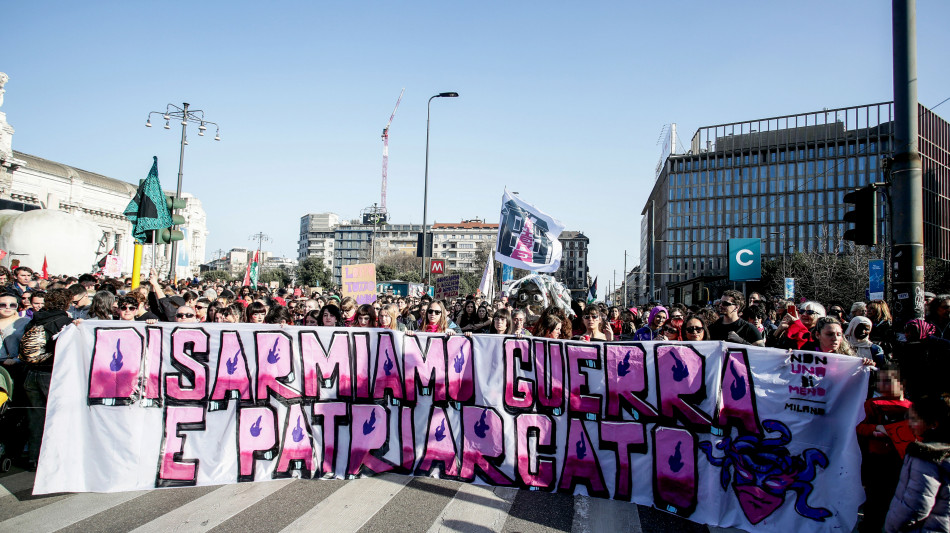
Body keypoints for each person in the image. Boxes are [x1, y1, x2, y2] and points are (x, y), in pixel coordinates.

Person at [21, 288, 73, 470]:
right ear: (67, 302)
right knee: (55, 417)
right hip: (51, 374)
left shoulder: (34, 320)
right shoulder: (66, 322)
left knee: (35, 417)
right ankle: (50, 460)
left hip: (30, 373)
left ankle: (33, 458)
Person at [856, 365, 912, 533]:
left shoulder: (911, 407)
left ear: (902, 383)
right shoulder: (871, 404)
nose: (882, 386)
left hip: (903, 462)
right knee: (875, 503)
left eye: (888, 381)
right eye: (880, 381)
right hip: (878, 462)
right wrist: (876, 429)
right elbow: (859, 426)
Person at [884, 394, 950, 533]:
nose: (909, 423)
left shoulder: (925, 456)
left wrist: (893, 527)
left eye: (914, 419)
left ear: (933, 424)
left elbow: (916, 505)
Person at [0, 292, 31, 365]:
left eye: (12, 305)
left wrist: (17, 360)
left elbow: (31, 347)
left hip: (17, 365)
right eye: (3, 305)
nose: (8, 307)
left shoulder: (25, 322)